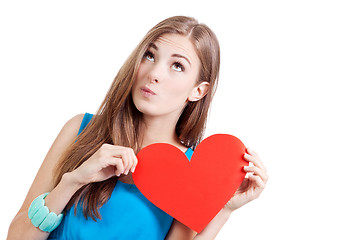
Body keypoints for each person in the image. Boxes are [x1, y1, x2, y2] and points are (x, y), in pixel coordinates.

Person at [7, 16, 268, 240]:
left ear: (198, 91)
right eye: (150, 55)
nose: (154, 72)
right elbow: (15, 236)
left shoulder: (192, 172)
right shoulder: (80, 130)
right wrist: (73, 180)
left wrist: (224, 209)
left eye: (177, 66)